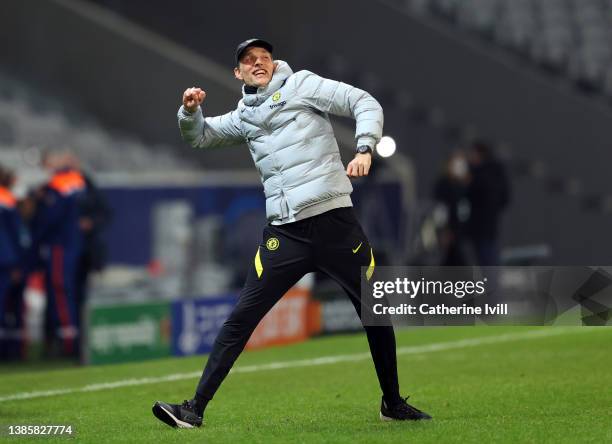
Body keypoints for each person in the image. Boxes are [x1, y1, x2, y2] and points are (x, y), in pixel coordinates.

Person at [152, 38, 431, 428]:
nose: (258, 63)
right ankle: (193, 409)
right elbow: (199, 136)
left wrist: (365, 147)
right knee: (241, 318)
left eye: (264, 57)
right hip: (285, 234)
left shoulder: (302, 85)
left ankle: (392, 402)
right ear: (239, 73)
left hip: (336, 223)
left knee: (374, 312)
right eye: (249, 60)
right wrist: (189, 111)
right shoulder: (243, 116)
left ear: (274, 62)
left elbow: (364, 102)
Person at [28, 151, 86, 358]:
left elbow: (48, 220)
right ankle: (69, 339)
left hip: (59, 245)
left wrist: (34, 241)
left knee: (60, 291)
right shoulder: (77, 181)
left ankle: (67, 342)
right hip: (74, 243)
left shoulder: (57, 185)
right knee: (67, 291)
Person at [466, 141, 511, 267]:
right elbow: (504, 199)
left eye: (472, 153)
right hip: (489, 227)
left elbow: (472, 198)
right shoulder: (495, 172)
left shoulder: (480, 175)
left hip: (481, 227)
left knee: (486, 263)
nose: (470, 157)